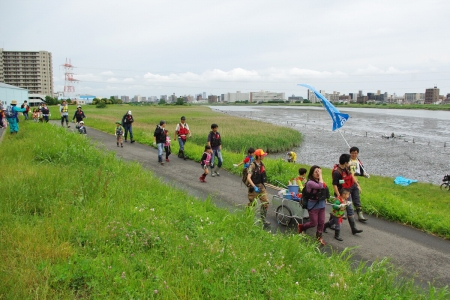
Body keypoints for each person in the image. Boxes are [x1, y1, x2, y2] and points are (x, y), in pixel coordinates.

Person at [332, 154, 363, 234]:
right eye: (349, 161)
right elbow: (335, 185)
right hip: (340, 194)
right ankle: (328, 224)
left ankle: (354, 228)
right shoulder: (336, 172)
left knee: (350, 209)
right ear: (345, 162)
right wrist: (339, 196)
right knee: (337, 210)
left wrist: (357, 185)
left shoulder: (347, 168)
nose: (350, 162)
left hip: (346, 192)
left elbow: (352, 177)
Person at [297, 165, 329, 246]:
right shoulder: (310, 182)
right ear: (312, 173)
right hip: (313, 206)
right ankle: (302, 227)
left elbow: (324, 188)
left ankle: (319, 237)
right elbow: (320, 186)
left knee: (321, 222)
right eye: (316, 172)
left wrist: (325, 198)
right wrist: (321, 175)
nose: (318, 174)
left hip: (321, 205)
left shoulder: (319, 180)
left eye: (319, 171)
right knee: (313, 223)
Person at [246, 149, 270, 225]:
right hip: (254, 188)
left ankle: (263, 221)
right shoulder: (252, 165)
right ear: (258, 156)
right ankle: (248, 218)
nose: (264, 156)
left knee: (265, 203)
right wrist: (254, 187)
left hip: (261, 187)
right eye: (262, 155)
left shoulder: (262, 164)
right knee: (252, 204)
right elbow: (248, 178)